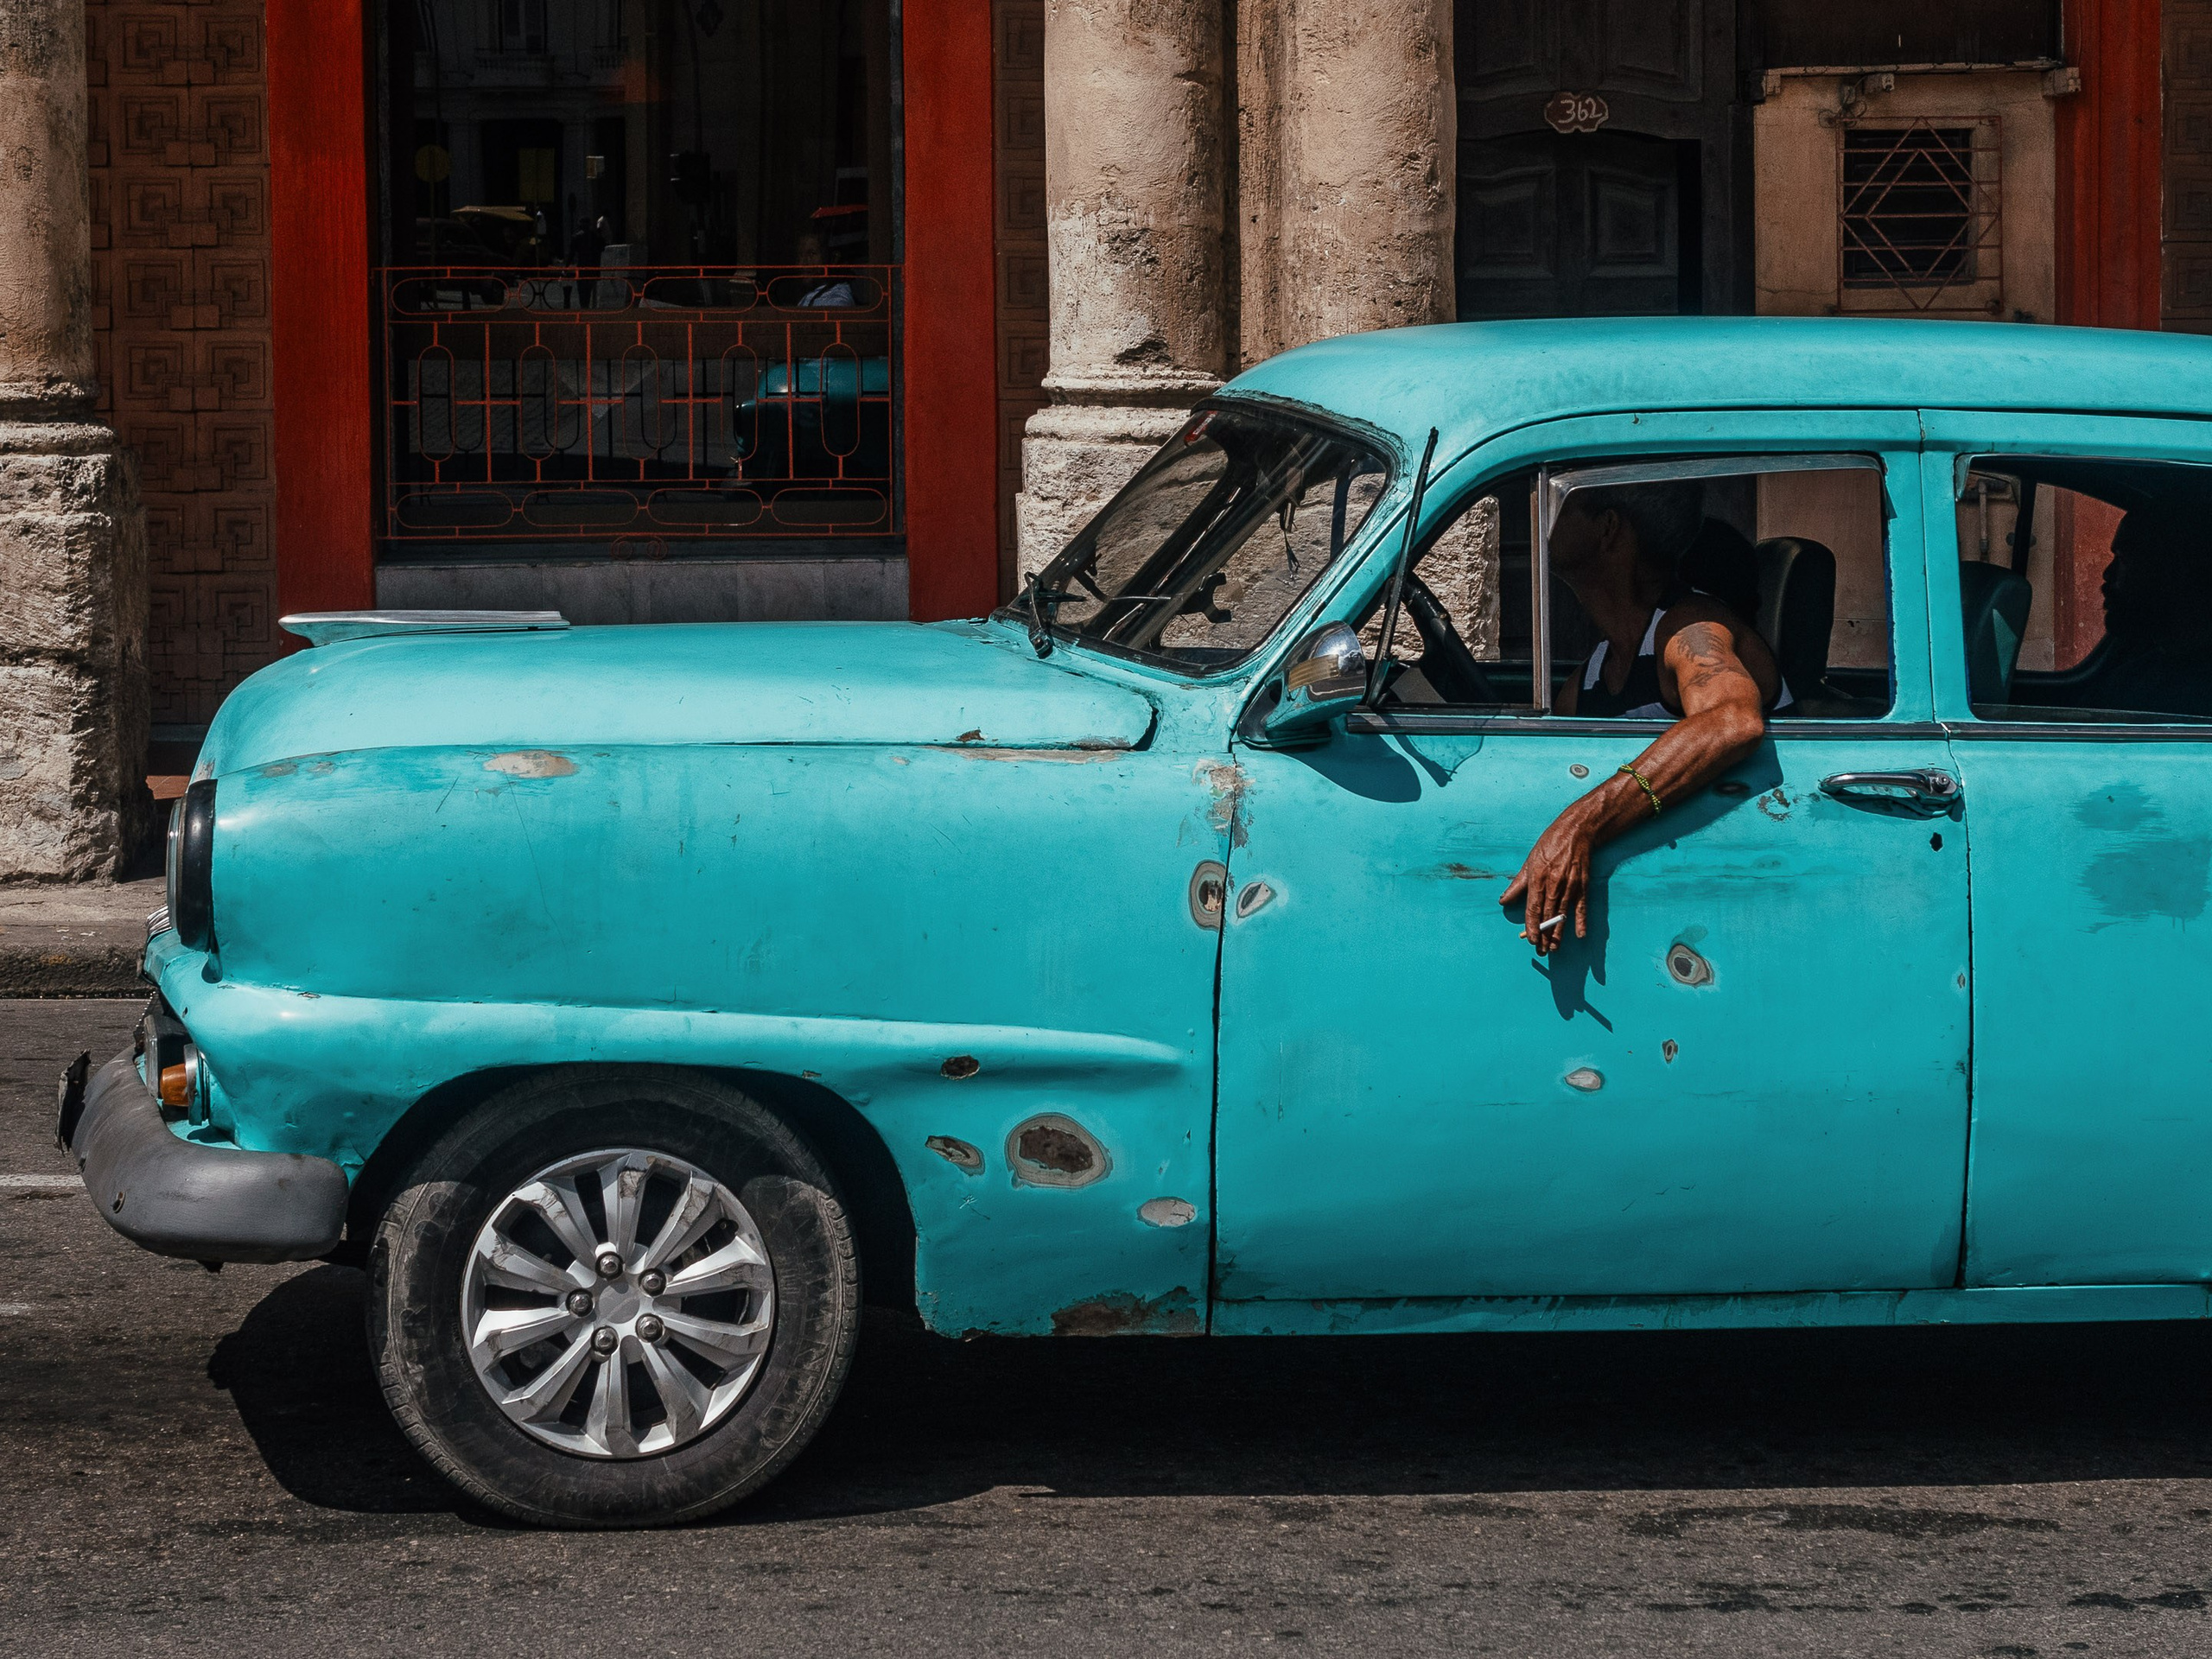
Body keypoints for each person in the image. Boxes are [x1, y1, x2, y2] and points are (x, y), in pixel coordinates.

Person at [1502, 480, 1786, 956]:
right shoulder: (1597, 667)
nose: (1546, 524)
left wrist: (1581, 825)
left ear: (1608, 528)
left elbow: (1733, 721)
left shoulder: (1690, 627)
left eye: (1563, 507)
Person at [2085, 504, 2212, 718]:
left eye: (2123, 559)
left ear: (2174, 571)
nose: (2108, 574)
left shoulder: (2189, 695)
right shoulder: (2138, 668)